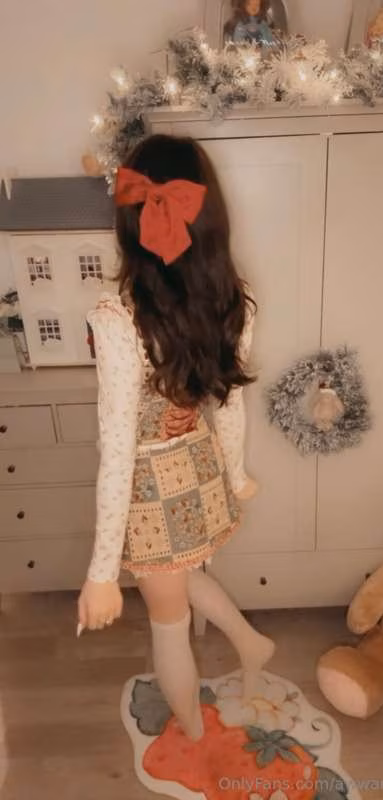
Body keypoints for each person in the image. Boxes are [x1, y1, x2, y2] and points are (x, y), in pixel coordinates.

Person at [78, 134, 275, 741]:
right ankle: (250, 643)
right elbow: (230, 402)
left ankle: (192, 737)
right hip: (200, 470)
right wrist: (234, 474)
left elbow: (118, 451)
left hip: (148, 492)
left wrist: (101, 571)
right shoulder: (235, 299)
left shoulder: (118, 318)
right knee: (181, 577)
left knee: (167, 622)